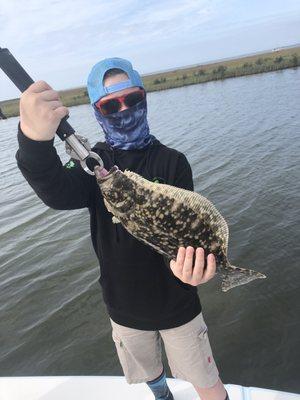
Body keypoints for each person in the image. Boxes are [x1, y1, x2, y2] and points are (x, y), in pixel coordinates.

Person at [16, 57, 229, 400]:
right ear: (97, 110)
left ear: (144, 99)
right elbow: (56, 191)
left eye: (132, 100)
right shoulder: (92, 163)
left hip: (179, 302)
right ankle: (162, 396)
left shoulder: (172, 162)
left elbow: (190, 229)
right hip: (124, 306)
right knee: (150, 374)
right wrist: (33, 142)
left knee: (207, 382)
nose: (124, 110)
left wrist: (199, 269)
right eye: (111, 104)